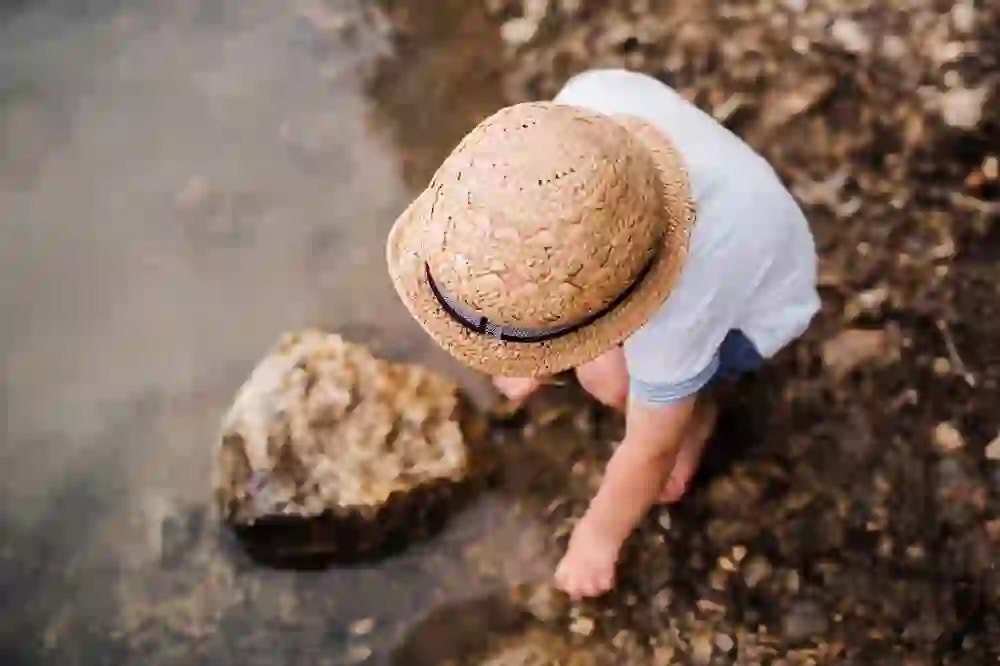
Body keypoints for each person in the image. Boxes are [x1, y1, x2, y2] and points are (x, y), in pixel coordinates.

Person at [385, 68, 820, 600]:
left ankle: (701, 409)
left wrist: (598, 536)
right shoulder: (573, 129)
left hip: (754, 307)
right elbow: (539, 248)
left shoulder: (678, 307)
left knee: (613, 385)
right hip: (684, 217)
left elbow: (649, 450)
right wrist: (522, 349)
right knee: (597, 358)